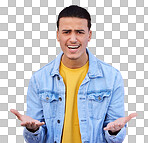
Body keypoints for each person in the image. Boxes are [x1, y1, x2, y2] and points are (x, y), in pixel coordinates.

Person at [11, 5, 137, 143]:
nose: (73, 39)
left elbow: (114, 139)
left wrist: (115, 131)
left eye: (79, 32)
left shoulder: (112, 77)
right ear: (58, 35)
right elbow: (36, 140)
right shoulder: (39, 79)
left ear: (89, 35)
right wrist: (33, 130)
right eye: (66, 32)